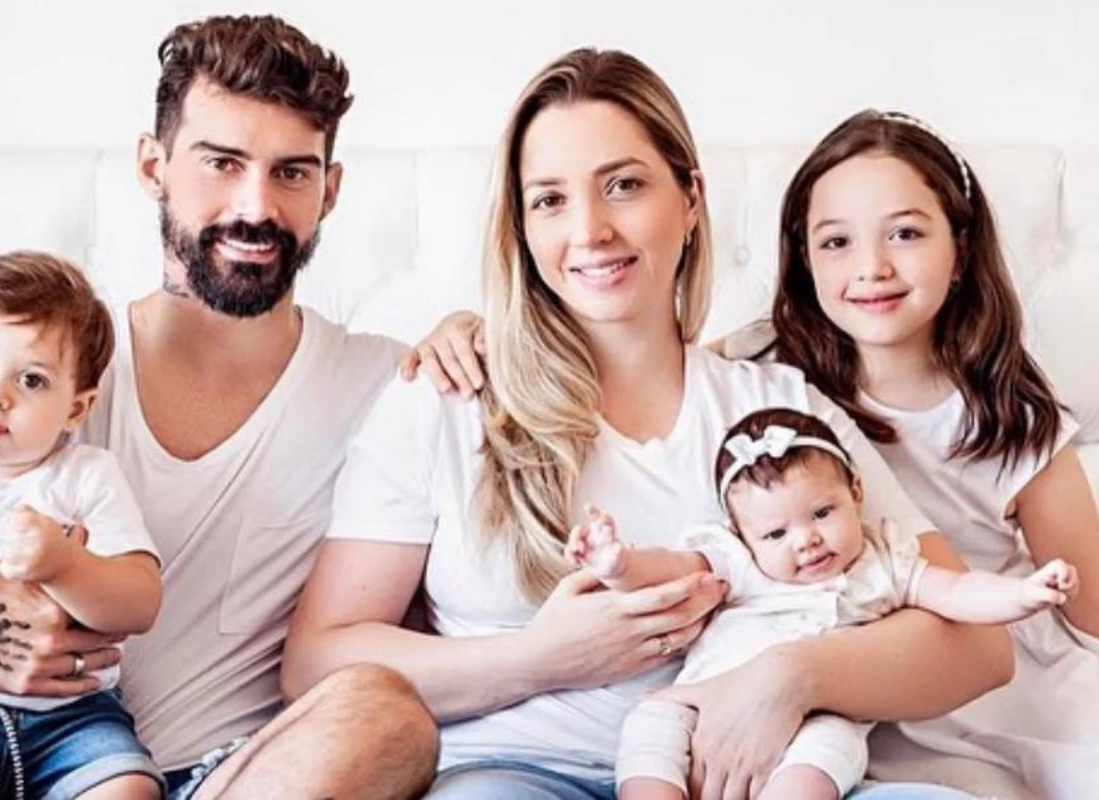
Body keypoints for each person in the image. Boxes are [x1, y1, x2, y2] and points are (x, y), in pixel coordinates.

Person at [284, 47, 1012, 800]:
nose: (591, 229)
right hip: (519, 772)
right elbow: (317, 664)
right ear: (523, 227)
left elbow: (980, 647)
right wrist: (538, 660)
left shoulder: (778, 410)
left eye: (623, 186)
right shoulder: (447, 393)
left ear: (690, 198)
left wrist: (791, 676)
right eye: (550, 200)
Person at [0, 15, 444, 800]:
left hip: (222, 778)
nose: (256, 207)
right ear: (153, 165)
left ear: (330, 190)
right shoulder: (31, 370)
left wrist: (479, 333)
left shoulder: (388, 382)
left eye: (291, 173)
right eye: (222, 163)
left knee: (387, 718)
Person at [711, 109, 1099, 800]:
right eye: (836, 242)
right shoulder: (761, 368)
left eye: (906, 233)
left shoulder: (1009, 412)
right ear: (805, 259)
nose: (872, 268)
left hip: (991, 679)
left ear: (960, 250)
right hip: (852, 675)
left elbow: (1089, 602)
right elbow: (643, 379)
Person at [566, 407, 1078, 800]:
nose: (806, 540)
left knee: (828, 755)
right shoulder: (738, 562)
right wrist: (618, 564)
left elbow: (958, 593)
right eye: (775, 533)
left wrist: (1023, 593)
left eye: (822, 513)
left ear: (856, 493)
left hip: (817, 716)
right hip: (700, 704)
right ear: (741, 534)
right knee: (651, 726)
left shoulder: (883, 560)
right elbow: (669, 570)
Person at [0, 252, 164, 799]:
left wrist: (64, 566)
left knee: (128, 789)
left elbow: (141, 603)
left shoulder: (86, 476)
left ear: (76, 409)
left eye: (31, 379)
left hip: (75, 715)